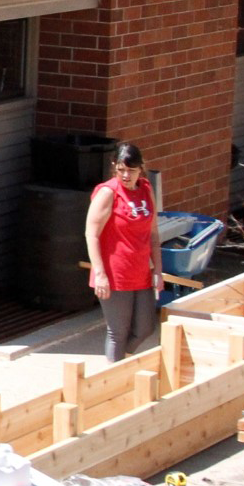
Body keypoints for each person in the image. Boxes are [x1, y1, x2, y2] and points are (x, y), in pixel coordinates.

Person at [84, 141, 163, 363]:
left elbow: (153, 233)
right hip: (115, 274)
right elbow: (91, 234)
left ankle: (121, 365)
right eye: (121, 170)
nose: (126, 175)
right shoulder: (108, 193)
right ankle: (113, 376)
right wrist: (99, 273)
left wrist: (158, 269)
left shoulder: (146, 189)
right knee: (118, 332)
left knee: (145, 328)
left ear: (141, 168)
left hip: (141, 272)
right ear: (114, 167)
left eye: (131, 170)